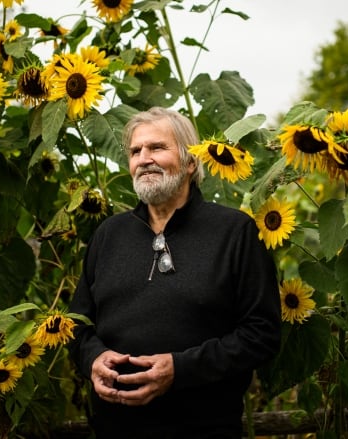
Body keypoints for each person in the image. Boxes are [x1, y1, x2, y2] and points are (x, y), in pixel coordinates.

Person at [67, 107, 281, 438]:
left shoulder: (234, 232)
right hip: (116, 428)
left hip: (204, 428)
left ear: (190, 162)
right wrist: (94, 359)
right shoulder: (108, 235)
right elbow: (78, 327)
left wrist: (179, 370)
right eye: (136, 151)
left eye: (157, 148)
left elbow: (261, 334)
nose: (143, 159)